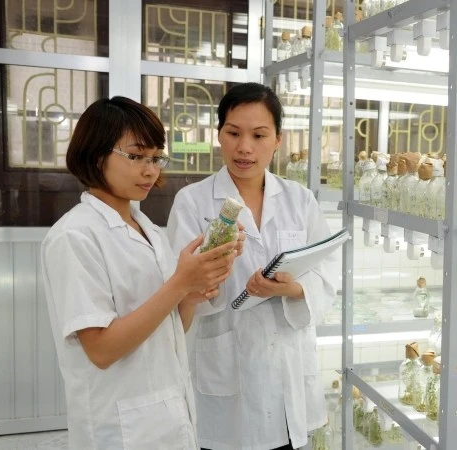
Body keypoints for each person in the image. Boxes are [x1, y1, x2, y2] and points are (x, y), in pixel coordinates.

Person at [41, 96, 241, 449]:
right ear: (95, 153)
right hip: (119, 427)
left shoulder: (147, 228)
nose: (150, 170)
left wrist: (190, 295)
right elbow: (101, 350)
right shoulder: (74, 236)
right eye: (135, 157)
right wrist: (179, 283)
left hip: (168, 414)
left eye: (155, 158)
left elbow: (171, 330)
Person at [167, 83, 339, 450]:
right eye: (233, 133)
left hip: (288, 370)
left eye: (259, 135)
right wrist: (209, 279)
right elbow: (179, 289)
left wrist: (291, 289)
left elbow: (326, 271)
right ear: (219, 135)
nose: (244, 147)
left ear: (277, 140)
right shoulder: (193, 202)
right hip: (227, 367)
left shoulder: (300, 200)